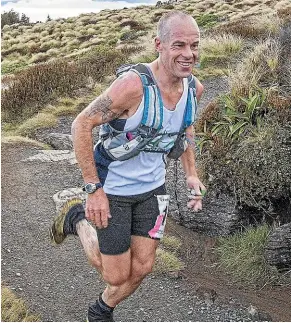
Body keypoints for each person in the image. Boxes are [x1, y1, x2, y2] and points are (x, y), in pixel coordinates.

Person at [50, 10, 206, 322]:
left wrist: (191, 174)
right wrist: (93, 190)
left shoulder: (193, 89)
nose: (188, 54)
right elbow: (81, 124)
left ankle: (100, 310)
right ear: (158, 45)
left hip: (153, 190)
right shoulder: (133, 86)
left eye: (194, 45)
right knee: (116, 275)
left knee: (144, 266)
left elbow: (186, 129)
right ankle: (77, 218)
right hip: (114, 190)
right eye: (179, 45)